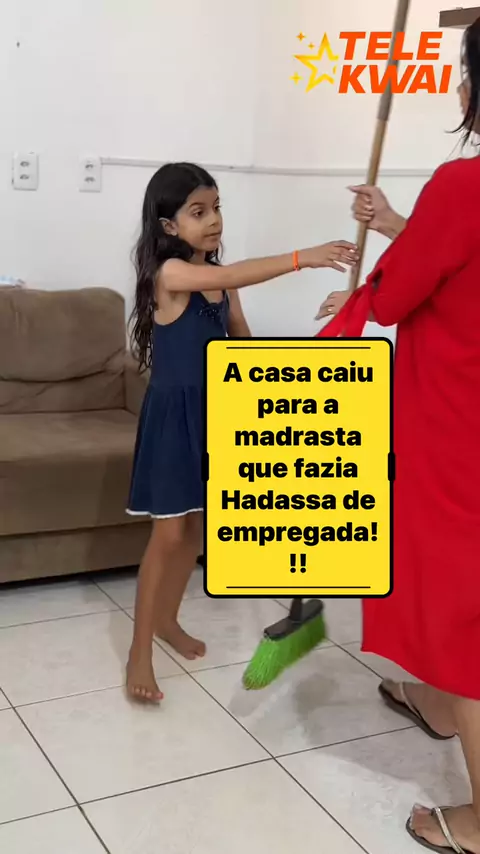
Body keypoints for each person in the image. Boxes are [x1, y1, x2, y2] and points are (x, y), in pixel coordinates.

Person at [317, 18, 480, 854]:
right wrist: (394, 224)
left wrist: (369, 281)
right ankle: (440, 702)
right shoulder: (457, 198)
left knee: (461, 602)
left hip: (458, 427)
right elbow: (456, 261)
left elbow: (397, 296)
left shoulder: (464, 183)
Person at [126, 161, 358, 703]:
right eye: (197, 212)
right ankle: (139, 651)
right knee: (168, 536)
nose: (213, 220)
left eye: (216, 208)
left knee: (196, 532)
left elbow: (243, 350)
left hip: (215, 415)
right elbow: (232, 275)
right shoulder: (171, 276)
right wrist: (303, 258)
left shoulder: (222, 289)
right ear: (168, 226)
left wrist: (313, 354)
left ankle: (168, 621)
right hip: (174, 420)